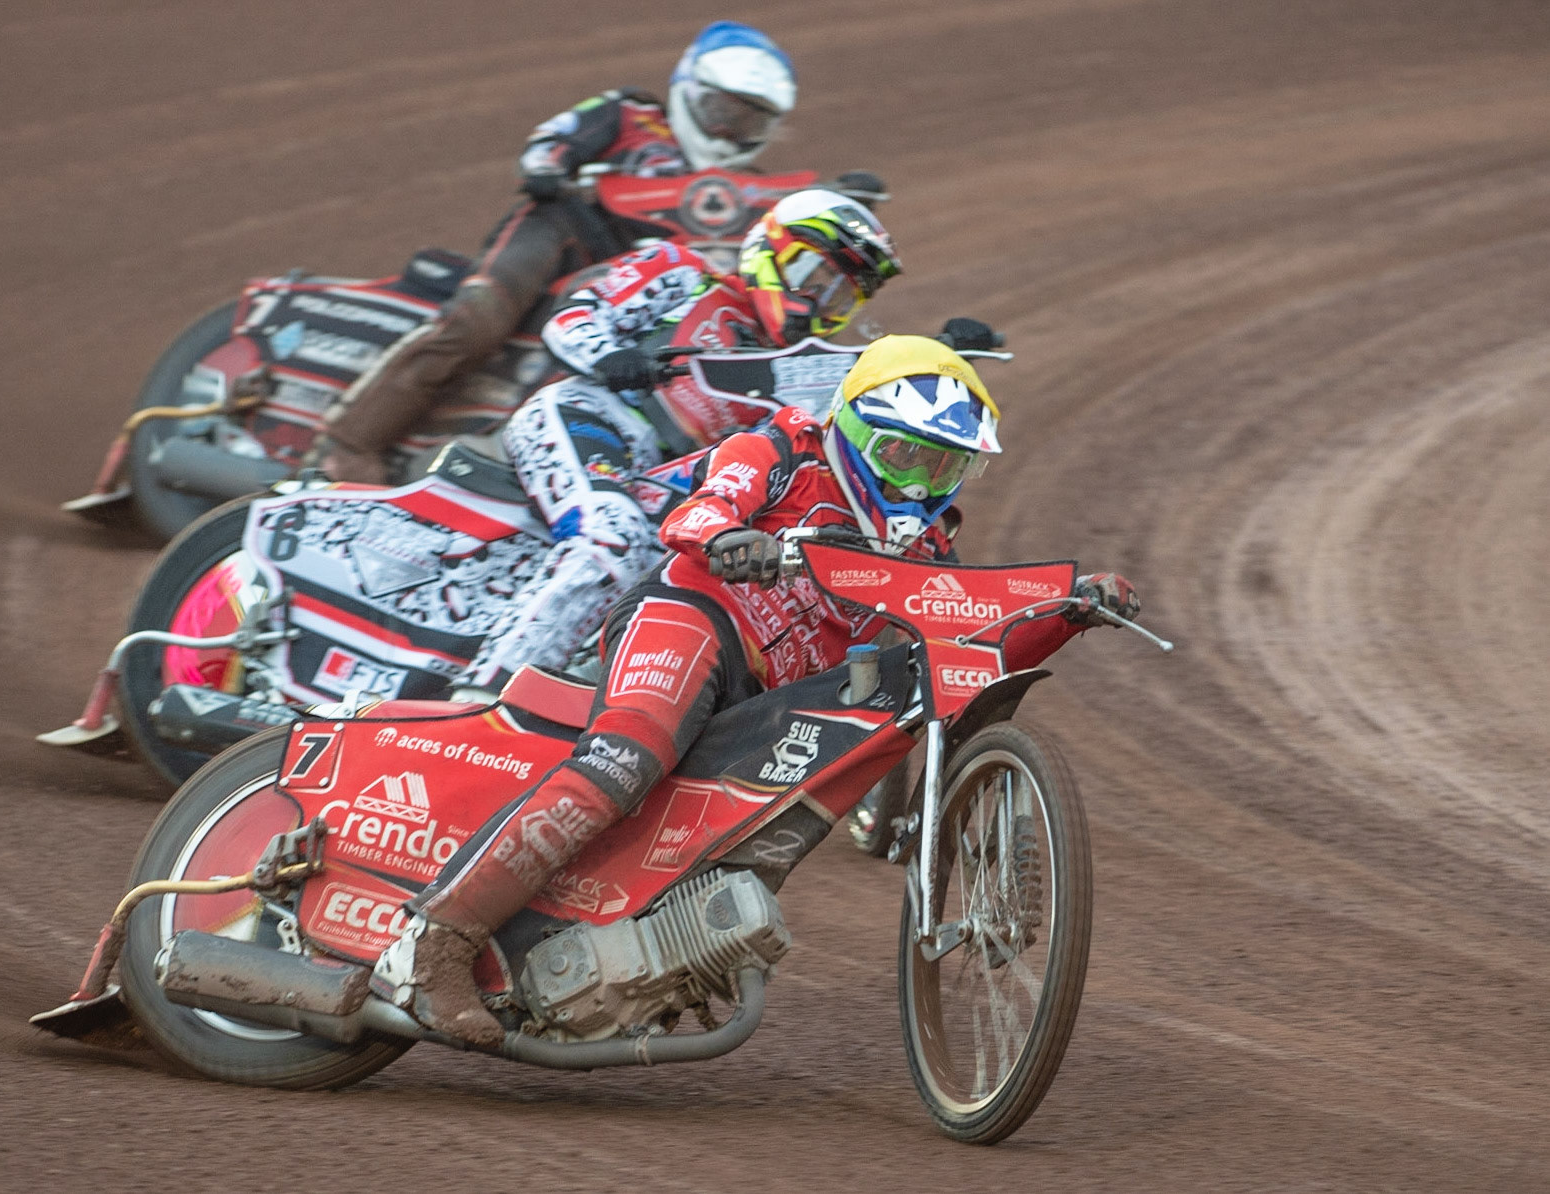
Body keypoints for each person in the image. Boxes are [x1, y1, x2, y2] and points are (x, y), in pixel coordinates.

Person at [371, 334, 1142, 1046]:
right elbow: (701, 507)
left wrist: (1068, 611)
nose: (917, 483)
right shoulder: (780, 449)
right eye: (903, 455)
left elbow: (967, 638)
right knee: (627, 758)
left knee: (745, 836)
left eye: (942, 467)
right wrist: (729, 538)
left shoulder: (933, 543)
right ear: (854, 427)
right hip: (695, 615)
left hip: (775, 692)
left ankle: (632, 955)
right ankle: (432, 946)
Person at [312, 21, 818, 485]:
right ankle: (349, 445)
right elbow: (553, 139)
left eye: (749, 121)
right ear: (690, 90)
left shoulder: (749, 192)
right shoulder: (630, 114)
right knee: (479, 318)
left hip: (637, 286)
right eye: (723, 111)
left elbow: (768, 255)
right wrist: (548, 166)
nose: (729, 131)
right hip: (568, 231)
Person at [445, 187, 902, 697]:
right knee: (611, 539)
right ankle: (485, 691)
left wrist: (947, 355)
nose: (818, 301)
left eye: (840, 295)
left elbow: (851, 428)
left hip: (667, 480)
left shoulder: (804, 373)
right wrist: (608, 356)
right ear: (772, 250)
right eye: (812, 278)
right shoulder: (683, 271)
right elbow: (574, 316)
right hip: (589, 416)